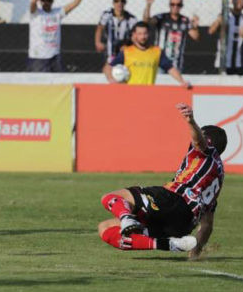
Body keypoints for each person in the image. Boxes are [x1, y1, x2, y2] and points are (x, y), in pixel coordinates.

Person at [97, 103, 226, 260]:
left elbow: (199, 142)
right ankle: (167, 244)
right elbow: (207, 225)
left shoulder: (206, 152)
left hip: (173, 200)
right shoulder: (218, 176)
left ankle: (126, 218)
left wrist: (191, 121)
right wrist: (195, 252)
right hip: (182, 226)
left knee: (110, 197)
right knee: (105, 229)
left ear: (208, 139)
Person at [27, 0, 90, 72]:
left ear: (52, 1)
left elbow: (76, 2)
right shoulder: (35, 14)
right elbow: (33, 1)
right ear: (40, 0)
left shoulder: (57, 13)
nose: (46, 2)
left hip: (55, 57)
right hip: (38, 59)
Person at [103, 22, 190, 86]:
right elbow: (108, 67)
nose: (143, 37)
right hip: (130, 94)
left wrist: (182, 81)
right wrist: (111, 80)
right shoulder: (127, 52)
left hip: (149, 94)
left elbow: (170, 68)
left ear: (149, 34)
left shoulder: (157, 52)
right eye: (140, 34)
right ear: (134, 35)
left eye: (145, 33)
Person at [143, 0, 200, 72]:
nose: (175, 7)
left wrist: (195, 27)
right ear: (169, 5)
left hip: (177, 63)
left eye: (178, 5)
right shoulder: (162, 18)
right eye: (172, 4)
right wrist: (148, 5)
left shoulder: (185, 21)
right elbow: (146, 22)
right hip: (161, 61)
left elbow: (196, 37)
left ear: (182, 6)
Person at [95, 0, 137, 64]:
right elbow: (100, 27)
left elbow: (136, 35)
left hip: (126, 52)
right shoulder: (107, 15)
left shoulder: (131, 18)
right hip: (110, 52)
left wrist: (129, 47)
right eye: (116, 1)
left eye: (122, 1)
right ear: (113, 3)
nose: (119, 3)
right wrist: (98, 42)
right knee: (110, 70)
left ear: (125, 2)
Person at [209, 0, 243, 74]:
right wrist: (218, 21)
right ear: (232, 0)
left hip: (239, 64)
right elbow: (211, 31)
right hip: (222, 63)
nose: (239, 1)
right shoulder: (226, 16)